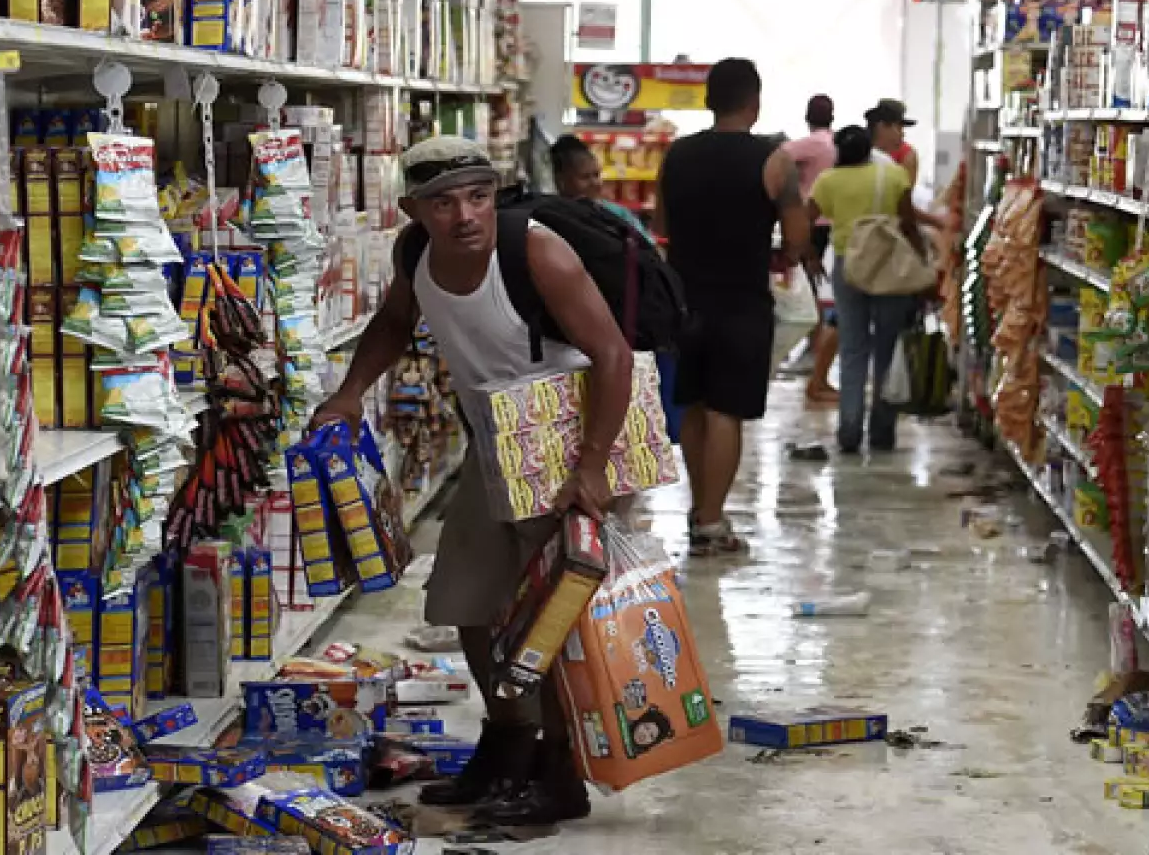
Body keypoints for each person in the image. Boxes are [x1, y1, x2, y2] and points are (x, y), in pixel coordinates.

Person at [311, 137, 633, 825]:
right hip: (491, 437)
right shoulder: (414, 254)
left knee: (553, 619)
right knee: (470, 603)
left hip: (561, 433)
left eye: (478, 196)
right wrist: (349, 392)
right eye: (444, 201)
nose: (465, 215)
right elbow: (397, 321)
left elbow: (612, 352)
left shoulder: (535, 251)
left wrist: (594, 464)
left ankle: (560, 770)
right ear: (413, 209)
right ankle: (508, 745)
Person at [655, 58, 811, 555]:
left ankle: (700, 510)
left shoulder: (677, 155)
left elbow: (662, 219)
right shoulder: (774, 162)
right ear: (755, 102)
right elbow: (796, 238)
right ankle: (710, 521)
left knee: (696, 407)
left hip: (684, 299)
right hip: (740, 299)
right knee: (727, 412)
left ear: (708, 100)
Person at [809, 125, 952, 454]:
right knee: (888, 348)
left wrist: (810, 255)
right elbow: (908, 225)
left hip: (849, 267)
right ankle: (882, 431)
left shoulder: (828, 181)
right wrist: (924, 267)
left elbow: (807, 218)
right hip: (891, 267)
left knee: (853, 348)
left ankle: (848, 430)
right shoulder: (894, 176)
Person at [780, 94, 839, 403]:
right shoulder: (833, 143)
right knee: (813, 284)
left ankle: (810, 344)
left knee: (805, 285)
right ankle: (812, 345)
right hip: (829, 222)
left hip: (809, 221)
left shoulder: (812, 143)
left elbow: (779, 154)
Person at [549, 134, 654, 240]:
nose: (595, 183)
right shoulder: (552, 219)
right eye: (585, 177)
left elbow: (648, 245)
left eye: (596, 175)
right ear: (561, 182)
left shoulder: (619, 214)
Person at [865, 98, 920, 182]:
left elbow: (905, 192)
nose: (902, 134)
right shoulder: (859, 150)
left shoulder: (906, 154)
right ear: (881, 126)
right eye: (899, 128)